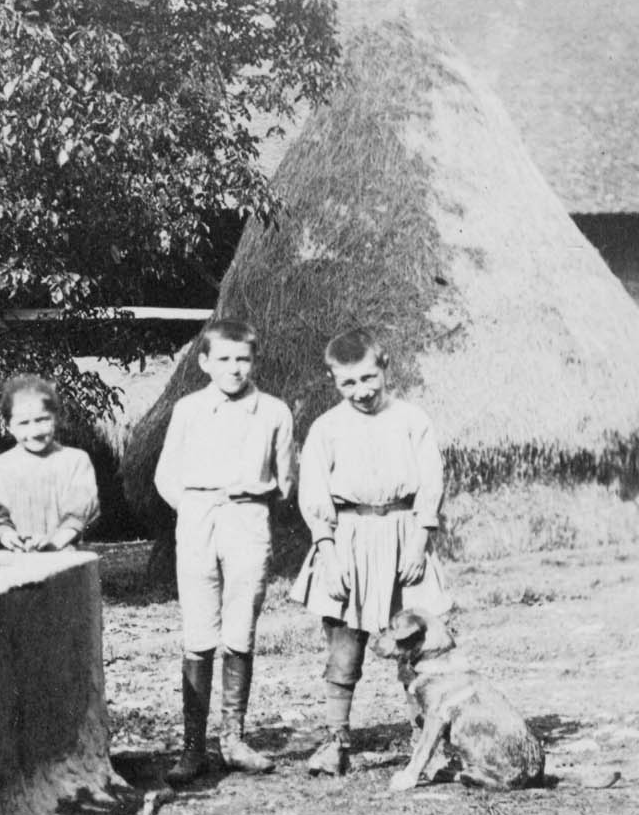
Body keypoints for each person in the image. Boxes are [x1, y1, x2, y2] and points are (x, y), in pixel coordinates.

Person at [292, 328, 449, 777]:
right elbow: (314, 493)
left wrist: (420, 539)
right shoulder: (326, 428)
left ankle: (428, 738)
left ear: (384, 365)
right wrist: (329, 552)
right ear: (333, 380)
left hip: (403, 536)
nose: (361, 391)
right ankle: (337, 740)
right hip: (349, 538)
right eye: (348, 383)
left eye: (368, 378)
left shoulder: (412, 420)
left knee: (418, 644)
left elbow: (431, 482)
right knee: (344, 646)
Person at [153, 318, 296, 783]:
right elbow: (164, 475)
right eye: (225, 360)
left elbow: (287, 480)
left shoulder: (273, 411)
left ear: (254, 361)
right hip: (197, 518)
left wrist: (247, 506)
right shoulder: (188, 409)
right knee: (198, 630)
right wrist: (194, 509)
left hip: (248, 519)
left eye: (243, 359)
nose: (235, 369)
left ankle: (233, 740)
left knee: (240, 626)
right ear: (204, 363)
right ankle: (193, 749)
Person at [0, 375, 100, 551]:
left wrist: (54, 542)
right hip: (13, 563)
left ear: (55, 418)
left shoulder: (75, 462)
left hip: (63, 562)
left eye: (42, 420)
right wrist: (7, 536)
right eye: (23, 423)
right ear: (8, 425)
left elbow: (80, 515)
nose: (34, 431)